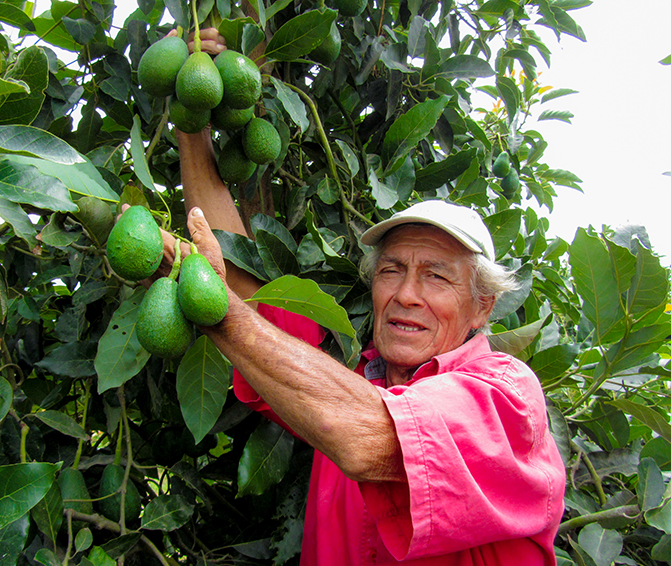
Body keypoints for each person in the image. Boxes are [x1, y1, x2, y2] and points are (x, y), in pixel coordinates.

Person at [156, 29, 567, 565]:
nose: (406, 294)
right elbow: (242, 284)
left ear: (483, 306)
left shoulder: (507, 399)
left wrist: (220, 314)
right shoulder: (350, 388)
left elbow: (373, 436)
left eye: (437, 278)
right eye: (391, 270)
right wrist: (194, 118)